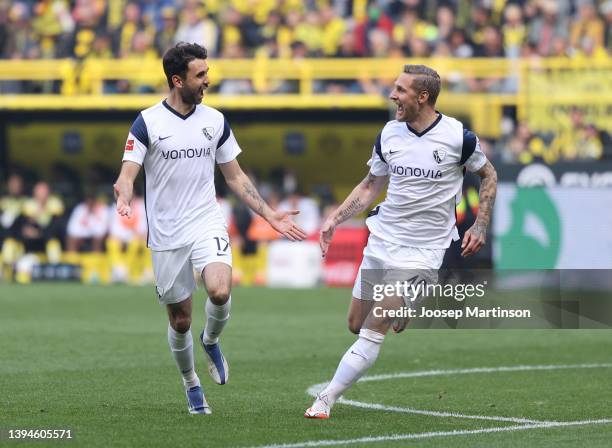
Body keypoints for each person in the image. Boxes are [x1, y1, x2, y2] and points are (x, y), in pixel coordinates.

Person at [114, 42, 307, 415]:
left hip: (206, 219)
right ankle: (191, 384)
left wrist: (269, 214)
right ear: (177, 80)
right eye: (200, 75)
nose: (207, 81)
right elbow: (127, 173)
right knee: (180, 318)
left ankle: (212, 339)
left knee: (219, 291)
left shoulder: (215, 121)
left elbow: (234, 176)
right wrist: (123, 194)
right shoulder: (147, 122)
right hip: (167, 233)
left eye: (207, 73)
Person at [304, 65, 497, 419]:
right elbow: (370, 185)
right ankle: (407, 306)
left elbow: (489, 174)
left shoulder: (458, 137)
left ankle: (325, 399)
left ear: (422, 97)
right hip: (382, 239)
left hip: (422, 250)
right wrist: (335, 218)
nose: (392, 95)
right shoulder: (389, 134)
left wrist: (480, 225)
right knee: (355, 323)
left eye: (400, 90)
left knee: (375, 326)